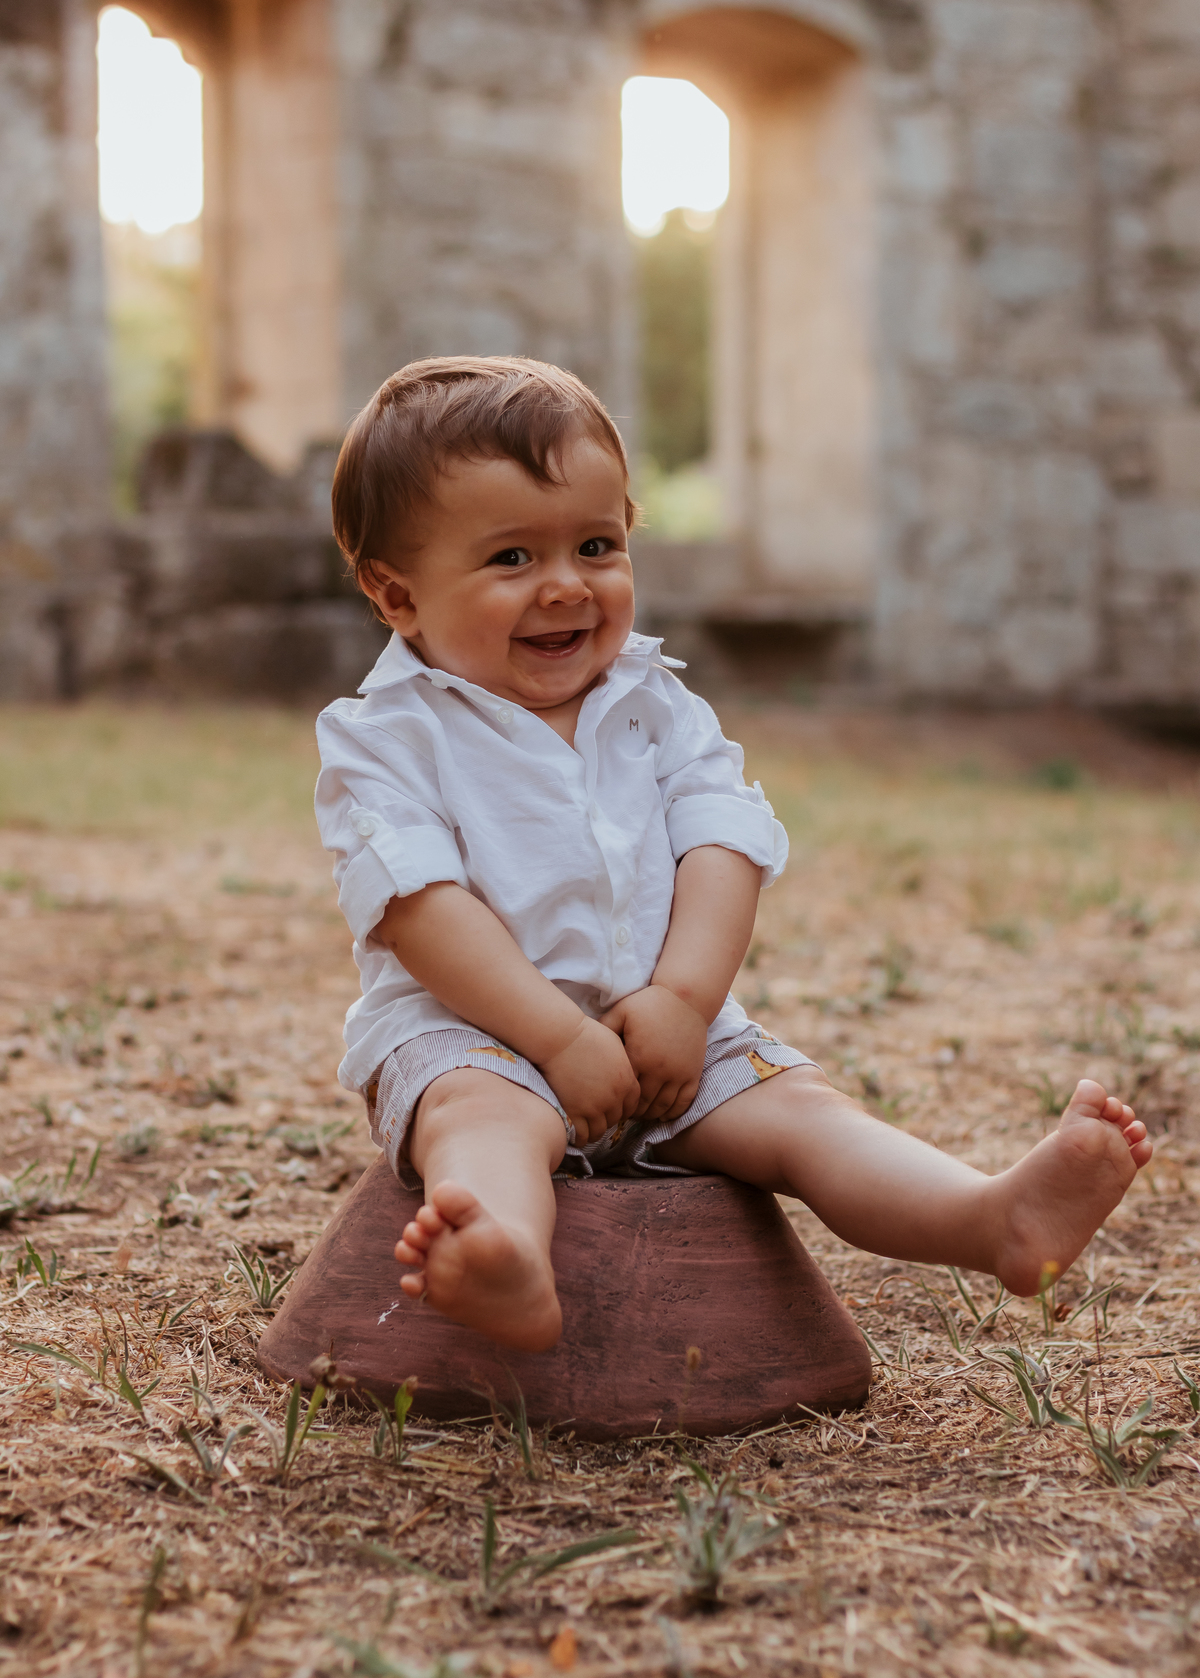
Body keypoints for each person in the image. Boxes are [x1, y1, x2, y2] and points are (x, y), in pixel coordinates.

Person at [315, 355, 1152, 1353]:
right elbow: (422, 908)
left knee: (804, 1113)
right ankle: (507, 1256)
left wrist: (684, 1001)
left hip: (668, 1033)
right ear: (397, 595)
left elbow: (722, 845)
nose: (568, 585)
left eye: (597, 545)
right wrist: (557, 1040)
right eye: (512, 558)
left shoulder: (657, 705)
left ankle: (992, 1219)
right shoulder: (385, 738)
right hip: (476, 1033)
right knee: (480, 1119)